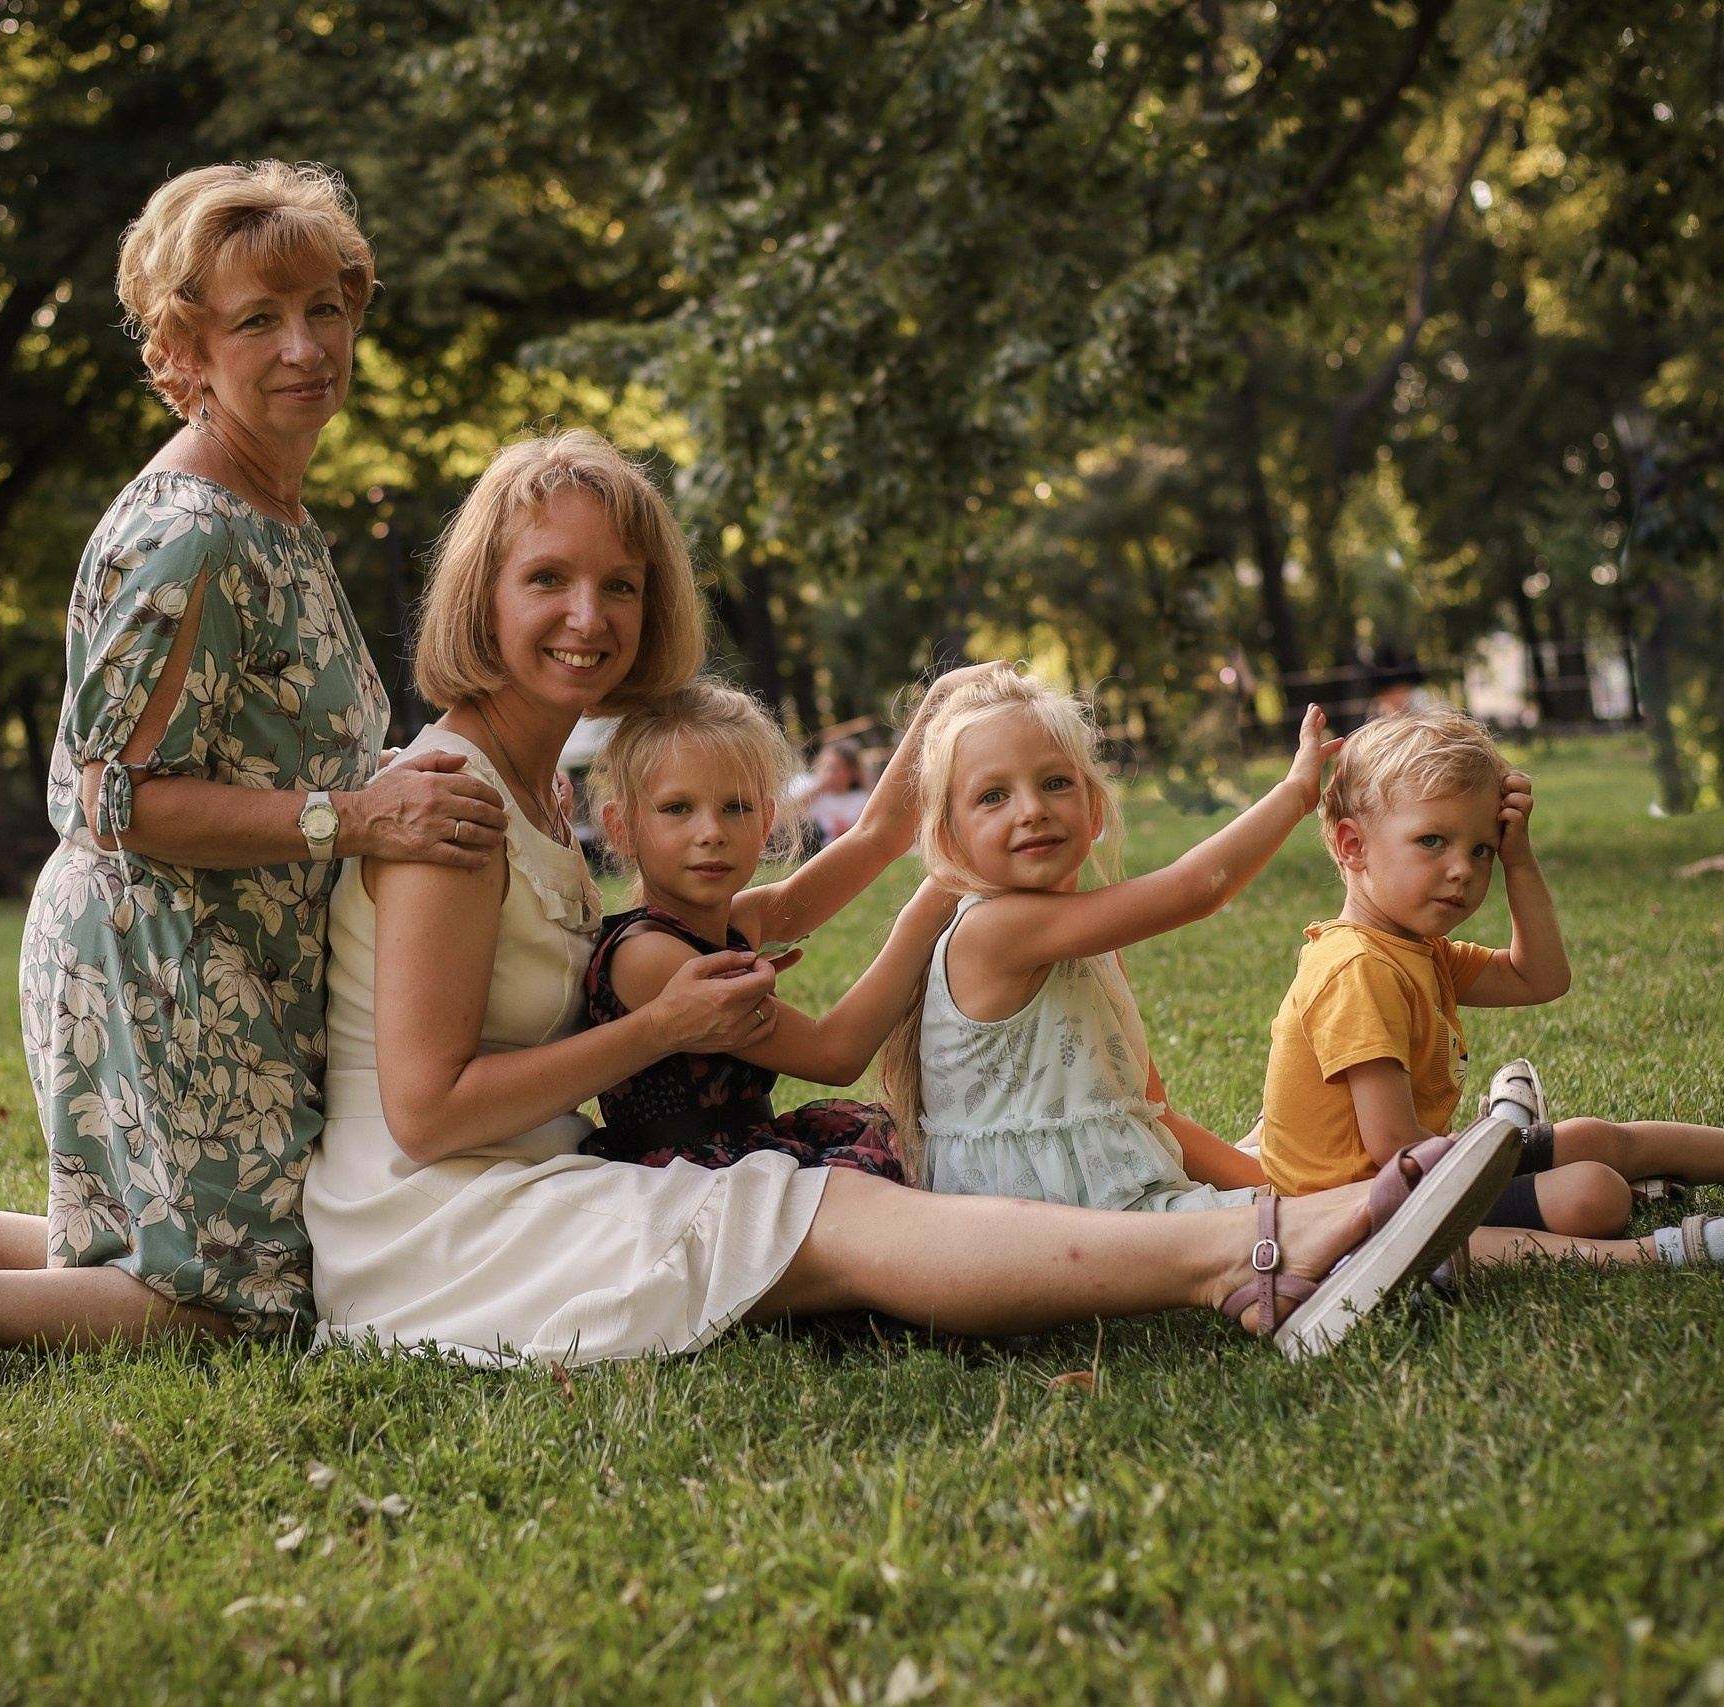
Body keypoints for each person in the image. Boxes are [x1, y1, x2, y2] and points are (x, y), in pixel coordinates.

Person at [299, 428, 1515, 1366]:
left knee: (826, 1192)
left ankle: (1279, 1223)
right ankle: (1249, 1252)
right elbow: (427, 1114)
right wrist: (659, 1028)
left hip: (539, 1171)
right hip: (443, 1225)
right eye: (547, 580)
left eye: (620, 586)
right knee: (811, 1209)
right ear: (482, 595)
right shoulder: (448, 806)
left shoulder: (539, 791)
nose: (589, 616)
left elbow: (833, 869)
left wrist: (921, 753)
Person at [0, 162, 511, 1394]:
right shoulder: (192, 533)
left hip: (221, 947)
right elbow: (115, 800)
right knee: (237, 1304)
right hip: (161, 950)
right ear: (184, 350)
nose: (306, 346)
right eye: (258, 320)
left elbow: (265, 741)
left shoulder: (273, 508)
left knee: (216, 1259)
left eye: (325, 308)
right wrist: (361, 817)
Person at [1254, 707, 1724, 1272]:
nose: (1463, 870)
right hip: (1350, 1217)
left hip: (1417, 1178)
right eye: (1433, 841)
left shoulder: (1415, 950)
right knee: (1592, 1193)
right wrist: (1511, 1157)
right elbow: (1394, 1148)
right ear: (1353, 846)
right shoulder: (1356, 968)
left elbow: (1540, 977)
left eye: (1481, 848)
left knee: (1596, 1138)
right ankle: (1695, 1249)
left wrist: (1519, 859)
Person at [875, 669, 1325, 1217]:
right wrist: (1294, 795)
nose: (1032, 809)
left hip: (1117, 1206)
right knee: (1338, 1209)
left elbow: (1155, 1118)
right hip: (1040, 1225)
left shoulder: (1092, 942)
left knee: (1311, 1171)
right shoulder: (992, 931)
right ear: (951, 840)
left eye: (1055, 783)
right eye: (993, 796)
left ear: (1094, 810)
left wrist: (1281, 1185)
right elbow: (1197, 888)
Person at [581, 678, 967, 1180]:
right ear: (622, 828)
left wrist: (937, 704)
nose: (711, 832)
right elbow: (834, 1054)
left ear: (766, 822)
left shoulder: (738, 919)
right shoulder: (648, 956)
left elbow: (876, 836)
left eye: (736, 807)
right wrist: (928, 910)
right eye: (677, 808)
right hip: (697, 1184)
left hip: (753, 1151)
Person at [792, 742, 872, 853]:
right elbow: (783, 817)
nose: (828, 774)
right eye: (824, 767)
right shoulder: (803, 783)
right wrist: (819, 788)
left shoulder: (861, 799)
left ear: (852, 772)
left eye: (834, 769)